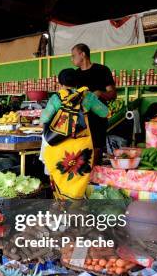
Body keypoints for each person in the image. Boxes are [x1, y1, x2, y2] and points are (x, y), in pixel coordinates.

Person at [41, 69, 108, 200]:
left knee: (60, 175)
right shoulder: (87, 96)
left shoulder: (56, 98)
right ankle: (76, 204)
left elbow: (44, 119)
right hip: (82, 147)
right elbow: (104, 112)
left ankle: (61, 204)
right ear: (77, 81)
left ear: (60, 82)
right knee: (79, 178)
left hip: (59, 146)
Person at [71, 43, 116, 160]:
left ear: (83, 54)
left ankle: (93, 174)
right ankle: (83, 175)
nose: (72, 59)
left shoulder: (102, 70)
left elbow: (113, 94)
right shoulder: (75, 75)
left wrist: (100, 93)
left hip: (98, 118)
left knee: (97, 148)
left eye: (73, 55)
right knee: (80, 148)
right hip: (80, 118)